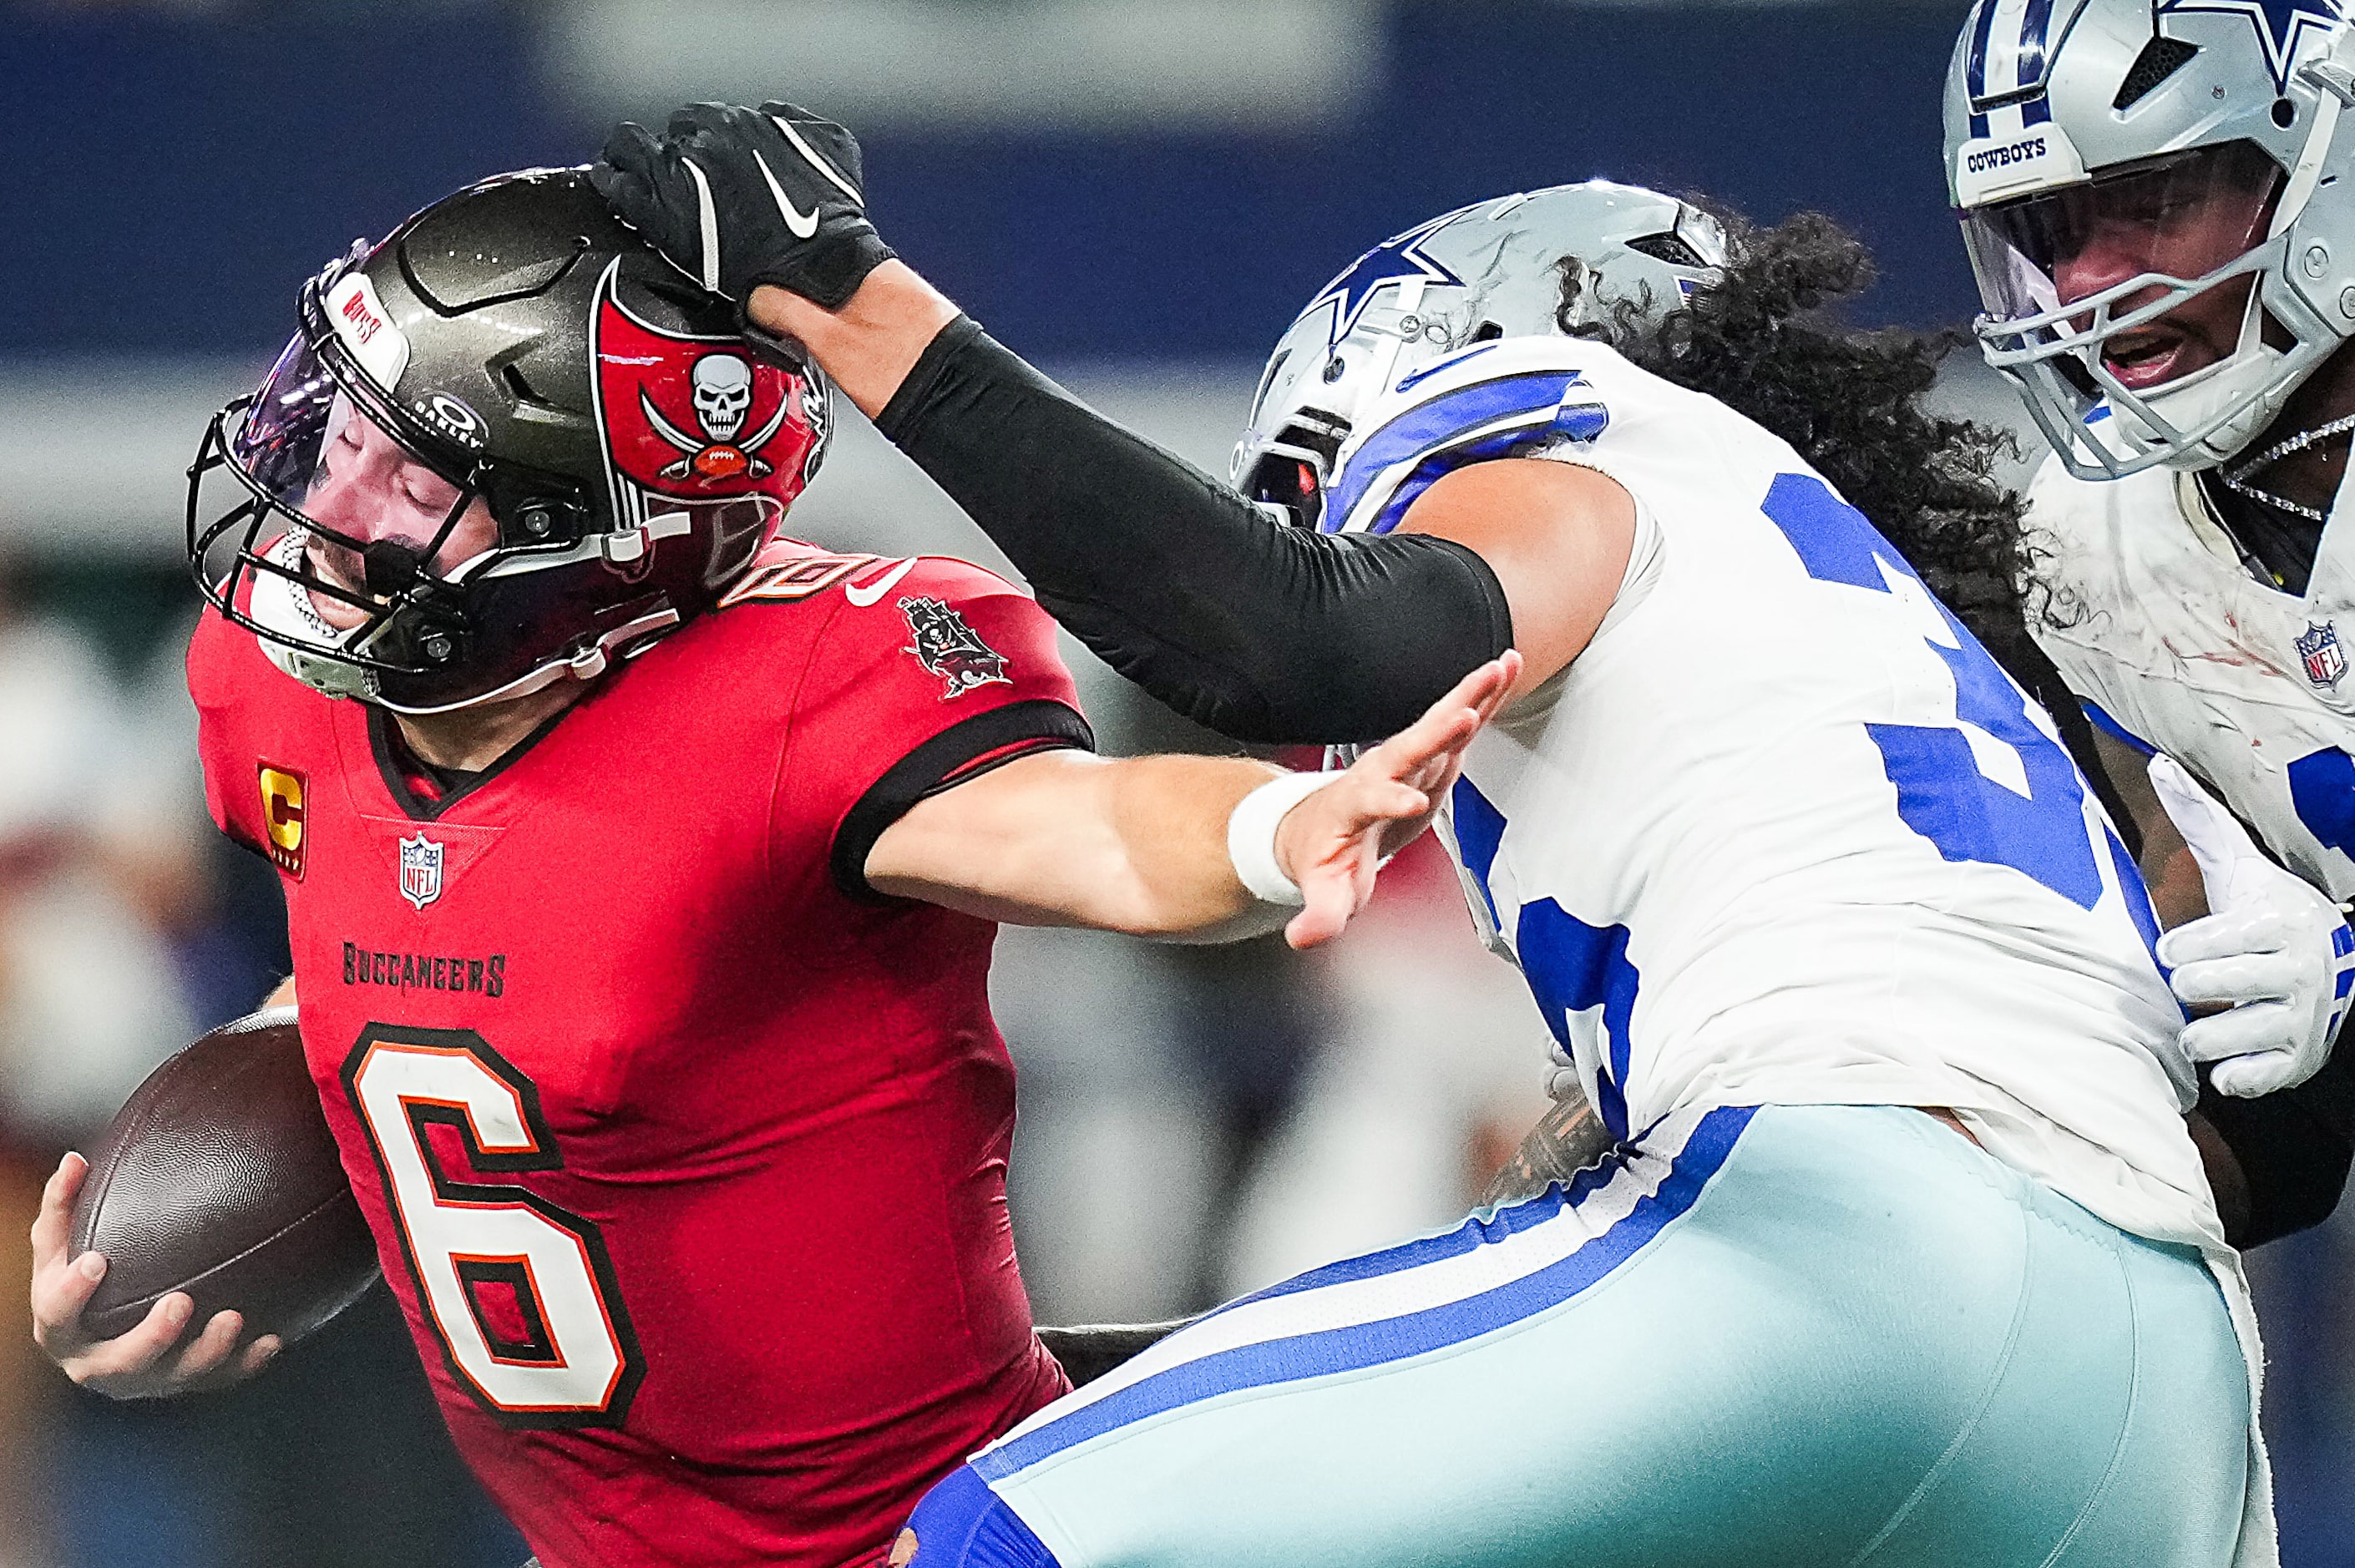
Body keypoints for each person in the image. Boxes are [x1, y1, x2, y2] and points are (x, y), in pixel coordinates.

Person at [595, 108, 2278, 1566]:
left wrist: (850, 302)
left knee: (982, 1535)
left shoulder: (1587, 432)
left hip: (1859, 1274)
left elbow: (1314, 638)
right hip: (2167, 1401)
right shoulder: (1849, 667)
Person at [23, 168, 1512, 1568]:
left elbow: (1091, 831)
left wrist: (1270, 830)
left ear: (590, 545)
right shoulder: (277, 685)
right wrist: (188, 1218)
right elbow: (413, 940)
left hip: (928, 1537)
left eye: (409, 483)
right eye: (333, 430)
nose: (331, 512)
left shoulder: (791, 704)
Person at [1940, 0, 2355, 1246]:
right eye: (2057, 232)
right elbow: (2267, 1116)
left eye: (2154, 204)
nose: (2085, 285)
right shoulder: (2091, 541)